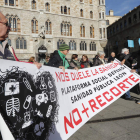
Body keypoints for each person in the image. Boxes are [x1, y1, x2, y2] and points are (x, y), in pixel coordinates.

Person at [0, 11, 41, 140]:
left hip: (11, 115)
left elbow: (18, 67)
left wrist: (31, 66)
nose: (10, 28)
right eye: (7, 24)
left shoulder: (8, 48)